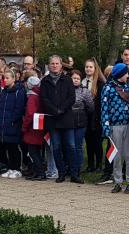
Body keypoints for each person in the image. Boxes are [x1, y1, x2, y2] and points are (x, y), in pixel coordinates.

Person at [41, 55, 79, 183]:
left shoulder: (67, 80)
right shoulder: (45, 81)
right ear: (49, 65)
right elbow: (44, 99)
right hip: (53, 120)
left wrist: (61, 109)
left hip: (66, 118)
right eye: (52, 63)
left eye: (57, 63)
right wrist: (54, 110)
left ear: (61, 65)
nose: (55, 66)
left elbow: (71, 97)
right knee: (56, 147)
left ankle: (74, 174)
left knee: (71, 146)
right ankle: (61, 173)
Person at [102, 63, 129, 193]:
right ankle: (118, 182)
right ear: (120, 74)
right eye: (126, 73)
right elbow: (104, 109)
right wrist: (106, 126)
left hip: (128, 125)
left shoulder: (128, 88)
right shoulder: (108, 88)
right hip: (114, 126)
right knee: (117, 155)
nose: (127, 75)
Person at [0, 68, 27, 179]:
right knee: (7, 147)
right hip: (4, 123)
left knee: (14, 148)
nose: (5, 80)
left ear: (14, 79)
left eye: (8, 78)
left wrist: (12, 120)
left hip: (13, 124)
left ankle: (17, 169)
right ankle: (10, 168)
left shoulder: (19, 91)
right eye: (4, 78)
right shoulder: (3, 91)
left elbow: (19, 109)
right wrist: (0, 118)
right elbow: (0, 107)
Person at [21, 75, 46, 180]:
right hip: (39, 126)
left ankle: (40, 172)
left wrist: (24, 127)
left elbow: (30, 113)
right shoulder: (40, 94)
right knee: (36, 151)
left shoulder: (32, 97)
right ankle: (36, 172)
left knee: (32, 151)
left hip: (32, 128)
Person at [83, 58, 105, 173]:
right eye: (87, 67)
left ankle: (99, 164)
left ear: (95, 68)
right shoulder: (82, 82)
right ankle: (90, 164)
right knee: (88, 142)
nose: (88, 69)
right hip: (85, 117)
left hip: (96, 117)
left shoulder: (100, 83)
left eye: (90, 67)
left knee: (97, 142)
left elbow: (101, 102)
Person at [70, 69, 94, 181]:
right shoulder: (66, 90)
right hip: (68, 123)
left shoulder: (85, 91)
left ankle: (77, 170)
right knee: (69, 146)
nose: (75, 80)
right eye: (73, 78)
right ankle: (69, 168)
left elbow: (91, 107)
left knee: (78, 146)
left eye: (78, 78)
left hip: (80, 123)